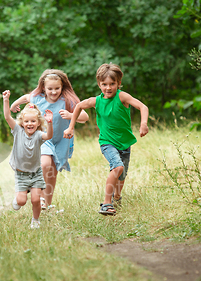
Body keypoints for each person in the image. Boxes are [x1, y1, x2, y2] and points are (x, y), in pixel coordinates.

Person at [63, 63, 149, 215]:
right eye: (104, 84)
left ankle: (116, 197)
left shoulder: (122, 96)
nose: (108, 88)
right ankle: (106, 203)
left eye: (112, 84)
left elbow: (143, 107)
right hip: (107, 142)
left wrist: (143, 124)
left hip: (125, 142)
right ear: (99, 84)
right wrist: (70, 127)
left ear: (118, 83)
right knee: (117, 167)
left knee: (121, 176)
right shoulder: (96, 101)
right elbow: (79, 106)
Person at [10, 69, 89, 210]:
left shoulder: (68, 101)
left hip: (61, 141)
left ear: (62, 87)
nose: (53, 92)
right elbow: (27, 97)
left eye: (57, 88)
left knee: (53, 172)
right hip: (43, 138)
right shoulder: (38, 98)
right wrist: (14, 104)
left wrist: (71, 115)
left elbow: (85, 117)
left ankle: (46, 204)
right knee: (45, 164)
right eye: (50, 89)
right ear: (44, 88)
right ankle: (38, 194)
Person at [3, 90, 53, 229]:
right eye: (26, 121)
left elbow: (49, 136)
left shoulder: (38, 135)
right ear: (22, 122)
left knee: (36, 199)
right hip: (21, 173)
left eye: (33, 121)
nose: (29, 124)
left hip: (35, 173)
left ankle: (35, 220)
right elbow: (7, 116)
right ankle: (20, 195)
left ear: (38, 123)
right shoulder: (17, 131)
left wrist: (50, 123)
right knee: (21, 201)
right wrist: (6, 100)